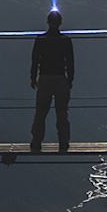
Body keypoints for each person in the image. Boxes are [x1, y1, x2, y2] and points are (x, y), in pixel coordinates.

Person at [30, 9, 74, 153]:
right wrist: (70, 80)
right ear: (60, 23)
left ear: (48, 22)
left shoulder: (40, 39)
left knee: (41, 112)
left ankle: (36, 141)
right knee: (62, 113)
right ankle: (63, 142)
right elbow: (70, 62)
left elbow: (35, 60)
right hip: (60, 78)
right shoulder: (66, 40)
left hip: (45, 78)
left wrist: (33, 77)